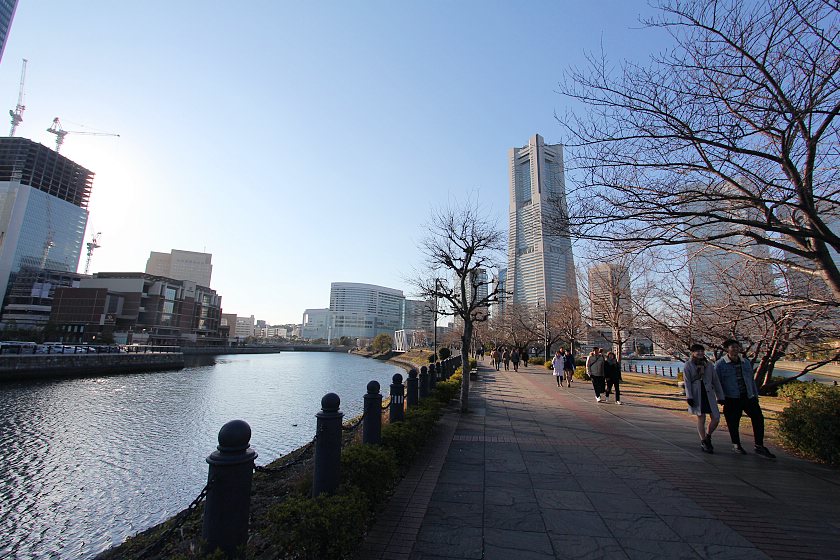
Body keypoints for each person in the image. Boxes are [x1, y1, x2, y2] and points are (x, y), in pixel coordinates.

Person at [715, 339, 776, 458]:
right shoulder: (720, 364)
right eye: (733, 347)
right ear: (727, 349)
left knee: (758, 418)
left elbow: (750, 380)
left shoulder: (745, 362)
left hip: (748, 396)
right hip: (731, 397)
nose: (735, 349)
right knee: (733, 422)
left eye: (737, 347)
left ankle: (759, 445)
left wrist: (754, 394)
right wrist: (720, 397)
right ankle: (736, 444)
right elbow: (716, 383)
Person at [683, 344, 724, 453]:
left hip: (709, 393)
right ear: (693, 353)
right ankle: (703, 441)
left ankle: (708, 436)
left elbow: (715, 380)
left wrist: (720, 396)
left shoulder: (709, 365)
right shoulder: (688, 365)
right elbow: (687, 382)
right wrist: (689, 397)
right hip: (697, 393)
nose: (700, 353)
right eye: (697, 351)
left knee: (716, 418)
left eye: (701, 351)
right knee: (701, 418)